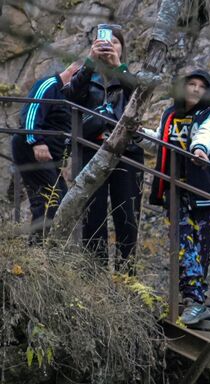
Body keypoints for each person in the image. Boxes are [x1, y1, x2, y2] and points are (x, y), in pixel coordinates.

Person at [148, 68, 210, 325]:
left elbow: (208, 134)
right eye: (190, 84)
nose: (195, 89)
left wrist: (199, 148)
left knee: (202, 248)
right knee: (183, 243)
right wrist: (136, 135)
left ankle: (196, 300)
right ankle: (194, 300)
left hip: (204, 191)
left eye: (201, 86)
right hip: (174, 190)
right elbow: (160, 141)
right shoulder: (170, 114)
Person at [63, 23, 144, 269]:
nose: (109, 44)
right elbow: (70, 96)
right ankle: (93, 275)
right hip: (90, 149)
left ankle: (125, 277)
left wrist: (118, 65)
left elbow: (139, 97)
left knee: (127, 216)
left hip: (126, 153)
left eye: (115, 41)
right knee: (93, 216)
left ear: (122, 48)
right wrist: (90, 61)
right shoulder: (87, 75)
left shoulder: (129, 76)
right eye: (102, 41)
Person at [11, 61, 80, 240]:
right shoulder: (50, 85)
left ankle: (46, 249)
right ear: (74, 72)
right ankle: (38, 249)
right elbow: (32, 110)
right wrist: (36, 141)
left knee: (62, 200)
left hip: (48, 156)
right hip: (31, 147)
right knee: (48, 200)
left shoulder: (70, 97)